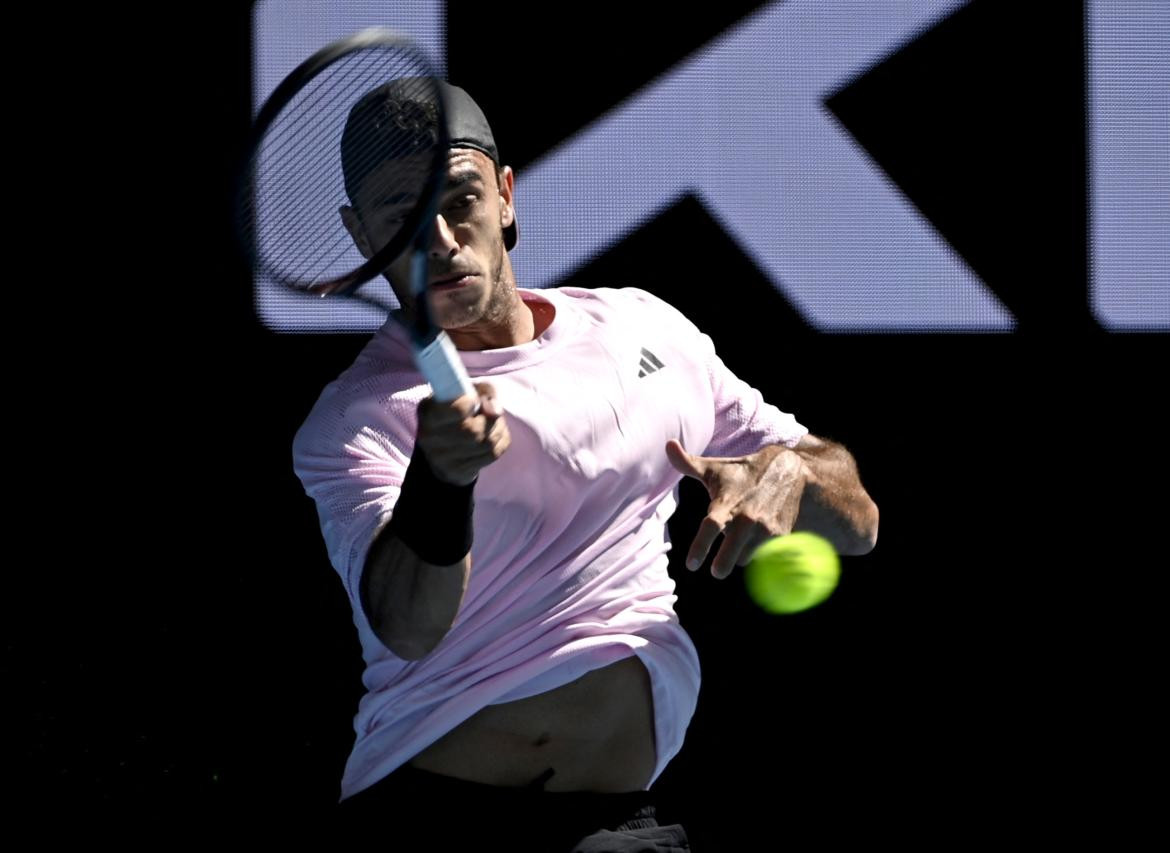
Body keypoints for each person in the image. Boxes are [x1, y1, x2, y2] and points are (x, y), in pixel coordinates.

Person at [292, 79, 879, 851]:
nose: (438, 238)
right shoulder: (357, 418)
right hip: (425, 820)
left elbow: (858, 522)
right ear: (361, 234)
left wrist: (794, 473)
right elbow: (407, 626)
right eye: (399, 215)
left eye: (459, 198)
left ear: (504, 196)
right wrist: (442, 478)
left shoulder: (644, 330)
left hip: (612, 828)